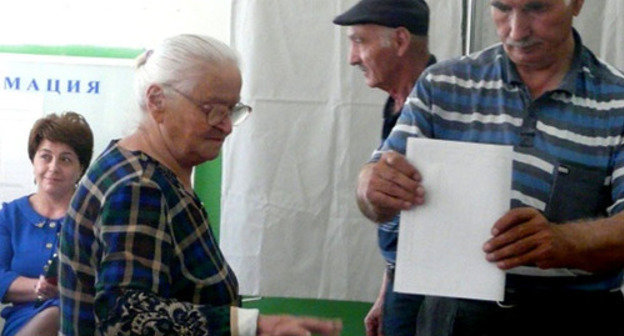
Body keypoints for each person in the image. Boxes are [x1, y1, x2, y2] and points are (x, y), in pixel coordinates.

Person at [356, 0, 624, 335]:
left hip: (574, 315)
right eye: (502, 8)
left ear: (577, 4)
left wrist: (563, 241)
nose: (516, 30)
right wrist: (371, 186)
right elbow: (376, 195)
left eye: (537, 9)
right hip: (454, 313)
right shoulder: (443, 85)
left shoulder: (617, 101)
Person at [58, 34, 342, 336]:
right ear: (157, 101)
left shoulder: (135, 167)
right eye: (213, 110)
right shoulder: (139, 187)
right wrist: (252, 326)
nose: (227, 126)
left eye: (232, 110)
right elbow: (125, 316)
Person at [333, 0, 435, 335]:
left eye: (360, 41)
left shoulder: (445, 104)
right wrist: (386, 294)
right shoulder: (396, 104)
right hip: (402, 281)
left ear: (401, 41)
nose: (352, 58)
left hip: (432, 288)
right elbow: (403, 219)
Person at [0, 112, 94, 336]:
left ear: (80, 169)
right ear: (33, 160)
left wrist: (65, 292)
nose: (53, 166)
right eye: (46, 156)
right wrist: (39, 288)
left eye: (65, 159)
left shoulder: (93, 218)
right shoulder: (10, 215)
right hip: (24, 320)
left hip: (80, 320)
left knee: (60, 313)